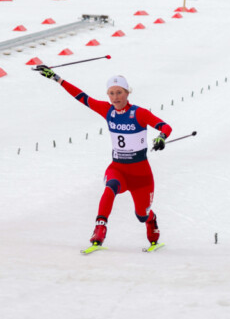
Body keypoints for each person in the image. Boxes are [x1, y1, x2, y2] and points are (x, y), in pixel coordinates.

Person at [35, 66, 172, 249]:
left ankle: (150, 219)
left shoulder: (139, 113)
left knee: (141, 215)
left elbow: (165, 126)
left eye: (119, 92)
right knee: (110, 187)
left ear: (127, 93)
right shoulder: (107, 110)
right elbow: (82, 97)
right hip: (118, 168)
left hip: (141, 175)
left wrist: (161, 137)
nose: (115, 97)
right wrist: (56, 78)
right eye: (111, 93)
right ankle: (100, 228)